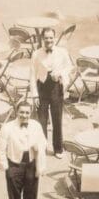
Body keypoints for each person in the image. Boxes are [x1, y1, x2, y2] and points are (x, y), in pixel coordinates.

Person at [0, 102, 47, 199]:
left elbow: (43, 142)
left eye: (27, 113)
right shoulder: (7, 128)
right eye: (22, 112)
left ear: (30, 113)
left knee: (31, 196)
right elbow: (0, 149)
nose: (24, 115)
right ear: (16, 112)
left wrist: (38, 148)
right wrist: (6, 167)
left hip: (31, 163)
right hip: (14, 165)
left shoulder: (36, 126)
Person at [29, 28, 73, 158]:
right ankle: (42, 148)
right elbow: (32, 75)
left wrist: (60, 74)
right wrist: (34, 95)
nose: (48, 40)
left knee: (57, 119)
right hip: (41, 87)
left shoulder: (62, 52)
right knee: (41, 121)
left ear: (54, 38)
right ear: (42, 39)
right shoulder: (36, 54)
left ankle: (58, 149)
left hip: (56, 88)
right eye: (46, 38)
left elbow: (69, 67)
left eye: (51, 37)